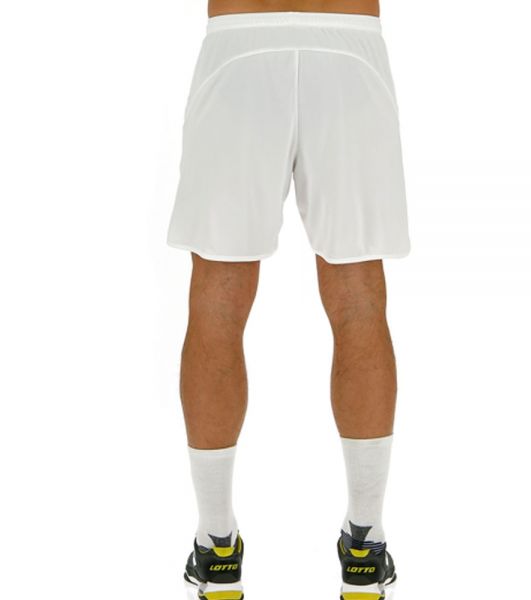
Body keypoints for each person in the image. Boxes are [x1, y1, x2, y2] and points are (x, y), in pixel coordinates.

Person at [166, 1, 410, 599]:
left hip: (241, 42)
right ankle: (365, 546)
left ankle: (217, 546)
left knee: (218, 298)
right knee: (358, 296)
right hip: (348, 47)